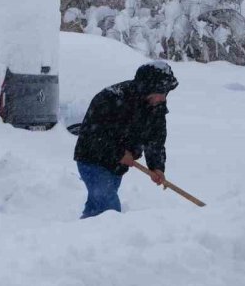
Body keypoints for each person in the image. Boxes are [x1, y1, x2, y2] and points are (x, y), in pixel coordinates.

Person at [73, 61, 179, 218]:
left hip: (117, 166)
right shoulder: (112, 98)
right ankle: (109, 239)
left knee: (97, 209)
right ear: (148, 88)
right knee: (109, 210)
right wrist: (119, 153)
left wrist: (157, 167)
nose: (163, 98)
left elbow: (155, 139)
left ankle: (84, 235)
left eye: (165, 93)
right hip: (92, 160)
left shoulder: (156, 106)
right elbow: (92, 135)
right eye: (160, 92)